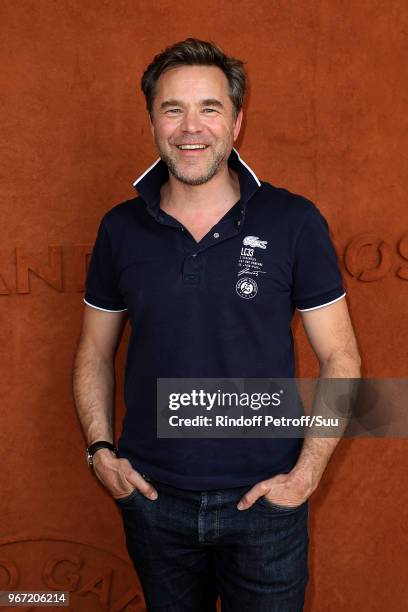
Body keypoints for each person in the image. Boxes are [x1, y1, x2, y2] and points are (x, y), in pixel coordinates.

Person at [73, 37, 361, 611]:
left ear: (237, 121)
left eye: (210, 108)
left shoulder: (294, 221)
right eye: (172, 108)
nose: (190, 127)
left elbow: (343, 359)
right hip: (154, 501)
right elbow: (93, 352)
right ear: (152, 119)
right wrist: (100, 451)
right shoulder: (119, 229)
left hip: (267, 506)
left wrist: (305, 476)